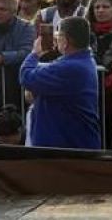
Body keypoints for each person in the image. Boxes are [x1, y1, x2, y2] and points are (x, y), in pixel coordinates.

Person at [20, 16, 102, 149]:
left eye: (58, 36)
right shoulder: (82, 60)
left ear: (65, 40)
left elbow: (27, 77)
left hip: (66, 146)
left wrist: (34, 54)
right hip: (65, 143)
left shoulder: (71, 67)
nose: (56, 39)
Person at [0, 0, 36, 109]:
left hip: (14, 88)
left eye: (2, 9)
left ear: (13, 12)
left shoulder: (26, 28)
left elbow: (27, 52)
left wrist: (2, 58)